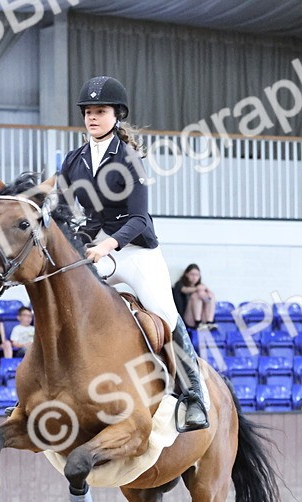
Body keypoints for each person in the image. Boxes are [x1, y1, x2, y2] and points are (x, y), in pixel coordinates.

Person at [56, 75, 208, 432]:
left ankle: (194, 396)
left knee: (165, 313)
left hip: (135, 252)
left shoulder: (129, 158)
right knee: (63, 303)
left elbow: (139, 217)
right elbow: (63, 212)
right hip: (94, 251)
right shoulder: (73, 160)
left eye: (100, 111)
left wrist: (109, 245)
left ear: (116, 115)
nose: (92, 117)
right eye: (88, 112)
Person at [172, 264, 217, 330]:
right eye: (192, 274)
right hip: (188, 318)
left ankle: (209, 322)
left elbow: (212, 299)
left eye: (197, 275)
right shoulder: (179, 284)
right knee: (195, 295)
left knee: (210, 295)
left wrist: (207, 291)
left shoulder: (201, 286)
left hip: (203, 317)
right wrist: (197, 289)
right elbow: (185, 290)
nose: (194, 277)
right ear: (186, 274)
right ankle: (198, 323)